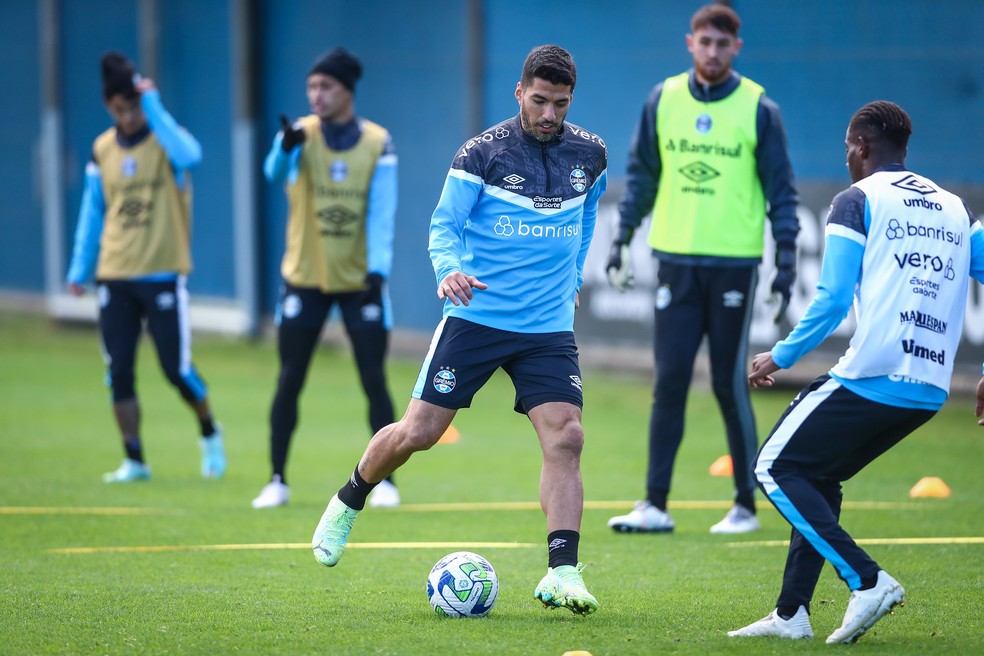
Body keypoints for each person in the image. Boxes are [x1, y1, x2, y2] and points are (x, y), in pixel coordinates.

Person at [309, 44, 608, 615]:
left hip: (546, 326)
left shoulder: (590, 153)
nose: (549, 114)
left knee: (567, 437)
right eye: (540, 101)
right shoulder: (482, 154)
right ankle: (349, 500)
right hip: (477, 317)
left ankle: (562, 572)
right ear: (520, 93)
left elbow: (587, 212)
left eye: (561, 104)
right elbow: (443, 225)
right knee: (419, 432)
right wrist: (448, 272)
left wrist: (574, 273)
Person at [729, 101, 984, 643]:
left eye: (849, 148)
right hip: (929, 390)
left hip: (872, 373)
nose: (848, 158)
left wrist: (781, 355)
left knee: (772, 467)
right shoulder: (956, 210)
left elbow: (831, 299)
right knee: (817, 475)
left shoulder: (857, 200)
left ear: (861, 146)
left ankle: (866, 580)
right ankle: (792, 613)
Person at [605, 3, 799, 535]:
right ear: (690, 43)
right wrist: (621, 239)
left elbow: (782, 195)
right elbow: (641, 176)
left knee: (727, 384)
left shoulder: (760, 108)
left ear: (736, 48)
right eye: (704, 42)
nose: (712, 52)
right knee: (668, 380)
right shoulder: (662, 99)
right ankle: (655, 505)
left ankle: (745, 505)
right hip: (674, 263)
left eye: (722, 44)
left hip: (734, 267)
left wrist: (785, 267)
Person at [66, 52, 225, 483]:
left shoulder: (166, 140)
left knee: (176, 369)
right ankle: (134, 459)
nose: (129, 117)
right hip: (114, 273)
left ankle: (209, 432)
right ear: (108, 108)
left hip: (162, 274)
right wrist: (79, 268)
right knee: (118, 370)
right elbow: (92, 211)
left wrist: (153, 106)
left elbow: (191, 155)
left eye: (133, 106)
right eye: (120, 109)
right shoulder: (101, 150)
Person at [251, 48, 399, 510]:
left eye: (326, 87)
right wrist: (284, 146)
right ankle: (276, 479)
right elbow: (273, 173)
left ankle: (387, 484)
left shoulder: (378, 141)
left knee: (374, 379)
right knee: (290, 378)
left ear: (347, 91)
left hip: (361, 282)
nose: (317, 94)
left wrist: (378, 268)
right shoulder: (299, 135)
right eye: (312, 86)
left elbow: (383, 211)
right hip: (305, 279)